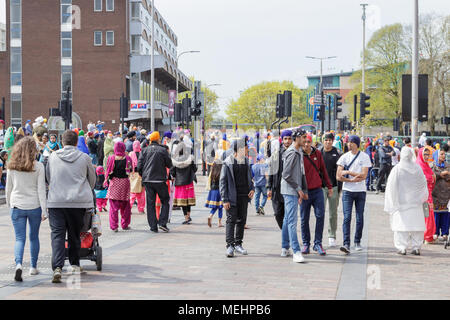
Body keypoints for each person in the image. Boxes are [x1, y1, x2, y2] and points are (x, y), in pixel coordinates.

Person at [46, 130, 96, 283]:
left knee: (57, 234)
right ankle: (74, 264)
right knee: (75, 233)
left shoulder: (53, 157)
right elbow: (92, 180)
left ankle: (57, 267)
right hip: (78, 201)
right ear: (76, 143)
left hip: (56, 201)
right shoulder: (85, 157)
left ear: (62, 141)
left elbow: (49, 177)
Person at [6, 137, 47, 281]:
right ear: (33, 150)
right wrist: (44, 210)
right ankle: (33, 267)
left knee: (19, 238)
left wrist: (9, 205)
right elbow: (41, 190)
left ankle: (18, 265)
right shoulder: (39, 166)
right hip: (34, 205)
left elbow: (8, 189)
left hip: (17, 204)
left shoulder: (11, 165)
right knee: (33, 237)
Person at [384, 147, 428, 255]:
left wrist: (392, 201)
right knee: (417, 227)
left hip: (401, 203)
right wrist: (421, 198)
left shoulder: (397, 169)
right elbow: (423, 185)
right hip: (416, 203)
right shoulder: (417, 168)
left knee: (401, 227)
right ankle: (416, 247)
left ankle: (402, 247)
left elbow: (391, 186)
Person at [336, 135, 372, 254]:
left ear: (357, 144)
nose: (349, 144)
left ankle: (357, 241)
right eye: (348, 142)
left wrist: (348, 172)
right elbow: (338, 176)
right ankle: (346, 243)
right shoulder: (344, 157)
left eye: (351, 142)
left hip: (360, 191)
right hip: (347, 191)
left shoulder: (365, 157)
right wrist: (350, 179)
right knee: (347, 217)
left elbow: (364, 175)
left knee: (359, 217)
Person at [220, 138, 255, 258]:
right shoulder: (227, 162)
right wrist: (225, 199)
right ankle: (230, 245)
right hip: (231, 197)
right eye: (245, 148)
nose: (247, 150)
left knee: (242, 220)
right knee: (231, 220)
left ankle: (238, 244)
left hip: (244, 196)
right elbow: (222, 182)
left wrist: (252, 189)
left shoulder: (246, 161)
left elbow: (249, 177)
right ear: (239, 149)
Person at [300, 135, 332, 256]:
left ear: (312, 142)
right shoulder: (298, 155)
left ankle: (318, 243)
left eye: (309, 142)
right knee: (304, 219)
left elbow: (323, 170)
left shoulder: (318, 154)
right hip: (304, 192)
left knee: (320, 216)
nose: (306, 144)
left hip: (317, 190)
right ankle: (306, 243)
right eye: (304, 142)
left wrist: (329, 186)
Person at [280, 128, 308, 263]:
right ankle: (296, 251)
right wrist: (298, 189)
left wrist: (304, 189)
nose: (305, 140)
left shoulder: (298, 151)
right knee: (292, 221)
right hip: (290, 190)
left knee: (287, 219)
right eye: (303, 137)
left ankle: (285, 247)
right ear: (297, 138)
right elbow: (286, 174)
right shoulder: (292, 153)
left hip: (292, 189)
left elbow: (301, 173)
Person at [138, 131, 172, 233]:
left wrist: (143, 175)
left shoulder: (144, 150)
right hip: (160, 179)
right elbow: (169, 164)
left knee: (150, 203)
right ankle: (162, 222)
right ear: (158, 139)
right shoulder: (162, 150)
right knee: (165, 201)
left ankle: (153, 226)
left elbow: (139, 166)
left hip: (148, 180)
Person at [104, 141, 132, 232]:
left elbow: (107, 170)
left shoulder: (111, 158)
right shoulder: (128, 158)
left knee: (113, 207)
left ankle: (114, 226)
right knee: (125, 206)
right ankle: (125, 224)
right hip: (125, 183)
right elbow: (131, 170)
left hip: (114, 183)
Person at [320, 133, 342, 247]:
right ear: (323, 140)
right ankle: (318, 236)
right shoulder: (318, 152)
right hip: (321, 187)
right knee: (320, 213)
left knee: (333, 213)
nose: (328, 142)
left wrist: (339, 188)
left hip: (333, 186)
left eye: (330, 140)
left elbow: (341, 171)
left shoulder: (337, 153)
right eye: (326, 140)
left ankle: (332, 235)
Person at [267, 129, 293, 229]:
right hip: (277, 189)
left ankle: (287, 235)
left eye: (289, 139)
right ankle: (284, 230)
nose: (287, 141)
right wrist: (269, 187)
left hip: (290, 189)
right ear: (282, 140)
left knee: (288, 215)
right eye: (285, 139)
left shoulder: (295, 153)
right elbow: (271, 171)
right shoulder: (276, 154)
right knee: (278, 213)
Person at [171, 133, 197, 225]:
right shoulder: (190, 159)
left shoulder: (175, 160)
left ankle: (186, 218)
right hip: (189, 182)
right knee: (188, 201)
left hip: (180, 183)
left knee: (182, 202)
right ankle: (189, 216)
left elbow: (172, 172)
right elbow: (195, 169)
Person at [416, 147, 436, 244]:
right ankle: (425, 236)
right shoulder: (418, 166)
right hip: (421, 195)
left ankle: (428, 235)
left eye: (428, 154)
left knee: (428, 215)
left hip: (429, 194)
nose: (427, 156)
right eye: (425, 154)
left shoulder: (427, 165)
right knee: (424, 215)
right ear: (420, 155)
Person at [432, 145, 450, 242]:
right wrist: (440, 174)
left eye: (444, 154)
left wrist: (446, 174)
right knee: (436, 214)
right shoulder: (432, 165)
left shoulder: (448, 165)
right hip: (435, 195)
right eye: (441, 154)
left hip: (446, 194)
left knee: (446, 215)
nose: (443, 156)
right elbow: (431, 176)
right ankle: (435, 232)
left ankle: (445, 233)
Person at [205, 160, 223, 228]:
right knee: (220, 207)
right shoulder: (221, 172)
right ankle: (219, 222)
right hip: (219, 190)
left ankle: (210, 215)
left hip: (212, 190)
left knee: (215, 206)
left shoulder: (212, 172)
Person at [129, 140, 146, 214]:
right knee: (141, 193)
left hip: (132, 175)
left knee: (132, 193)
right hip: (141, 175)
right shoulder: (142, 153)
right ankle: (141, 209)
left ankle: (129, 208)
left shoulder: (131, 154)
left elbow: (128, 164)